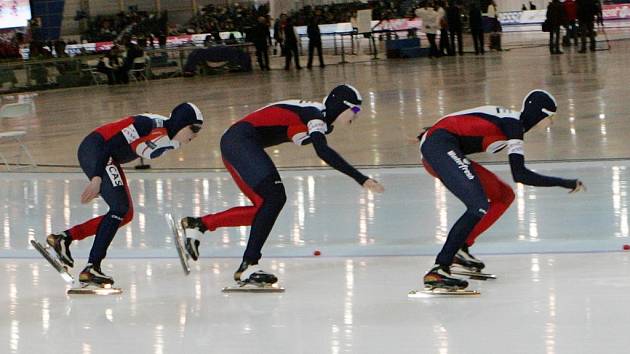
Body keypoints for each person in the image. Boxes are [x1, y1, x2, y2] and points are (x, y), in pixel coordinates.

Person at [180, 84, 384, 286]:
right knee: (274, 198)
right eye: (355, 109)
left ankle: (200, 224)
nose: (357, 115)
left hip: (237, 142)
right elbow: (323, 152)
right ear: (340, 105)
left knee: (264, 210)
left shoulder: (320, 122)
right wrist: (361, 178)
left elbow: (290, 129)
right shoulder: (314, 115)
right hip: (240, 141)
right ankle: (248, 265)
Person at [418, 90, 585, 290]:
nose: (552, 123)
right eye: (551, 117)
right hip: (438, 147)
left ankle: (460, 248)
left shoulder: (511, 124)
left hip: (442, 145)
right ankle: (439, 269)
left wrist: (428, 133)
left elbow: (463, 121)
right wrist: (564, 182)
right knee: (477, 205)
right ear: (539, 113)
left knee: (503, 195)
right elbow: (520, 174)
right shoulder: (513, 125)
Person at [46, 103, 204, 286]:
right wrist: (97, 178)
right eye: (194, 128)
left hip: (109, 159)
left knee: (125, 214)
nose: (195, 135)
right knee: (119, 207)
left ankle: (64, 238)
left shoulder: (174, 142)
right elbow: (108, 146)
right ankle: (92, 267)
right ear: (180, 123)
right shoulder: (147, 124)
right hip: (97, 149)